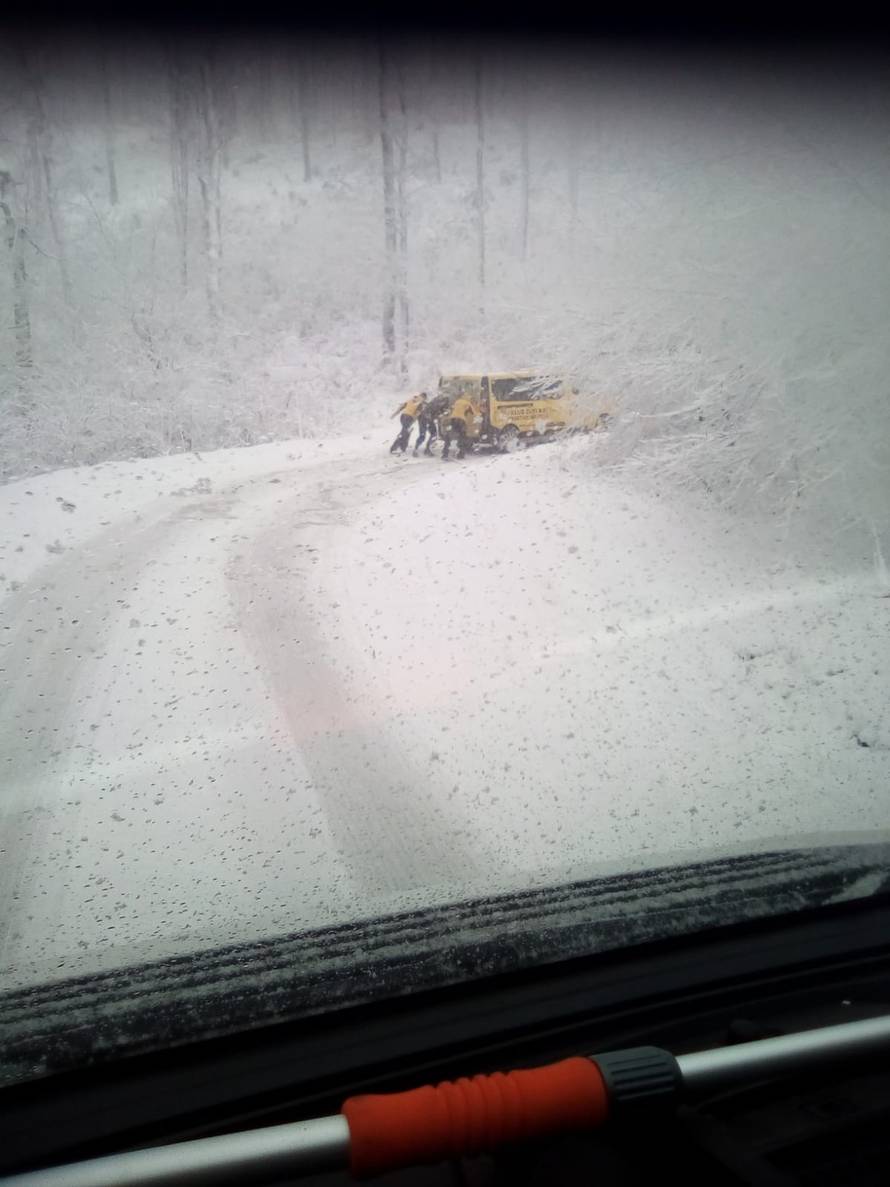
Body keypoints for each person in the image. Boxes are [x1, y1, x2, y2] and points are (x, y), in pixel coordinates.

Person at [442, 391, 479, 459]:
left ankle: (445, 452)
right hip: (461, 420)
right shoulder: (467, 403)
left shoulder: (457, 401)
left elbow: (452, 409)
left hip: (453, 419)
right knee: (463, 436)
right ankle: (461, 454)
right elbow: (474, 413)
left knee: (450, 435)